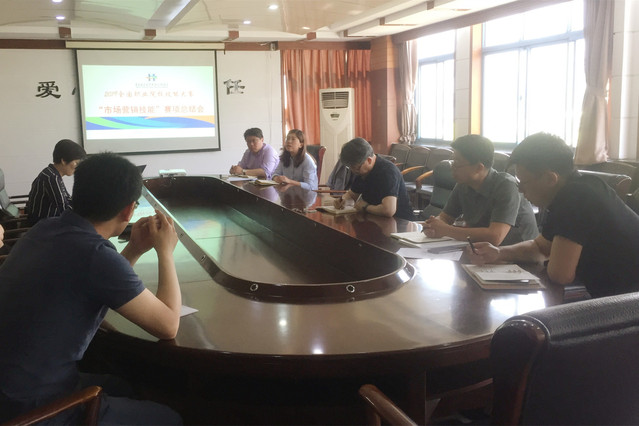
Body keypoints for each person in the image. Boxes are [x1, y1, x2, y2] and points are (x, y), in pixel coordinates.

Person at [0, 153, 182, 424]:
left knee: (123, 386)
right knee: (170, 418)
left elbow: (94, 278)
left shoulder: (45, 228)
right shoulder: (96, 255)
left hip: (11, 385)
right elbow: (168, 325)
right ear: (129, 210)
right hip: (33, 408)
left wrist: (134, 248)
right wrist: (165, 251)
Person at [468, 132, 639, 298]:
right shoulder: (577, 189)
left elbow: (560, 275)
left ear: (550, 178)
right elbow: (540, 248)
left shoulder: (576, 197)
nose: (520, 190)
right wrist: (498, 253)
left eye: (523, 182)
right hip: (616, 297)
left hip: (628, 303)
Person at [423, 134, 538, 246]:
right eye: (452, 161)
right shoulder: (463, 184)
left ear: (479, 168)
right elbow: (445, 217)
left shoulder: (506, 186)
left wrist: (446, 230)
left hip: (517, 254)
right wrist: (434, 225)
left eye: (457, 163)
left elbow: (495, 237)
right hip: (483, 251)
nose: (452, 167)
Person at [334, 138, 415, 220]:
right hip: (374, 219)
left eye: (356, 168)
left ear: (369, 160)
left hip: (399, 222)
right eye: (350, 167)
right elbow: (352, 195)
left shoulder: (387, 172)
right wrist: (343, 200)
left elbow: (388, 210)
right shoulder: (361, 171)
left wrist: (365, 207)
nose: (353, 171)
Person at [25, 139, 86, 225]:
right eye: (76, 163)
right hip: (42, 226)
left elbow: (67, 199)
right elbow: (64, 209)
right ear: (63, 161)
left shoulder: (51, 173)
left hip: (46, 222)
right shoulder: (52, 178)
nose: (77, 167)